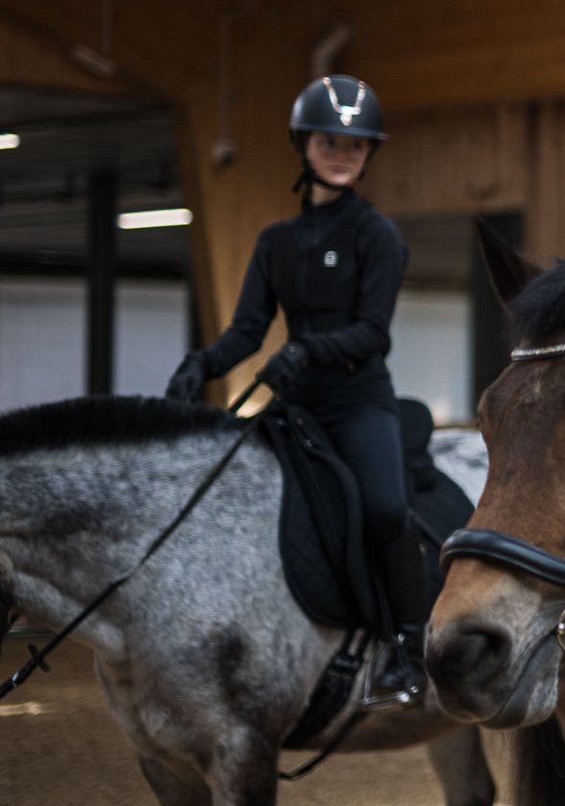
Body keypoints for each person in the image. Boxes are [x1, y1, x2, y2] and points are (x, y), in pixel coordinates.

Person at [164, 74, 424, 702]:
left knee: (386, 510)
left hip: (359, 403)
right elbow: (250, 329)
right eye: (329, 140)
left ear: (368, 154)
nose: (342, 152)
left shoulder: (377, 235)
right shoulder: (275, 241)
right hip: (297, 402)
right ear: (303, 145)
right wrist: (203, 362)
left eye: (355, 144)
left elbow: (372, 334)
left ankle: (411, 647)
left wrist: (307, 350)